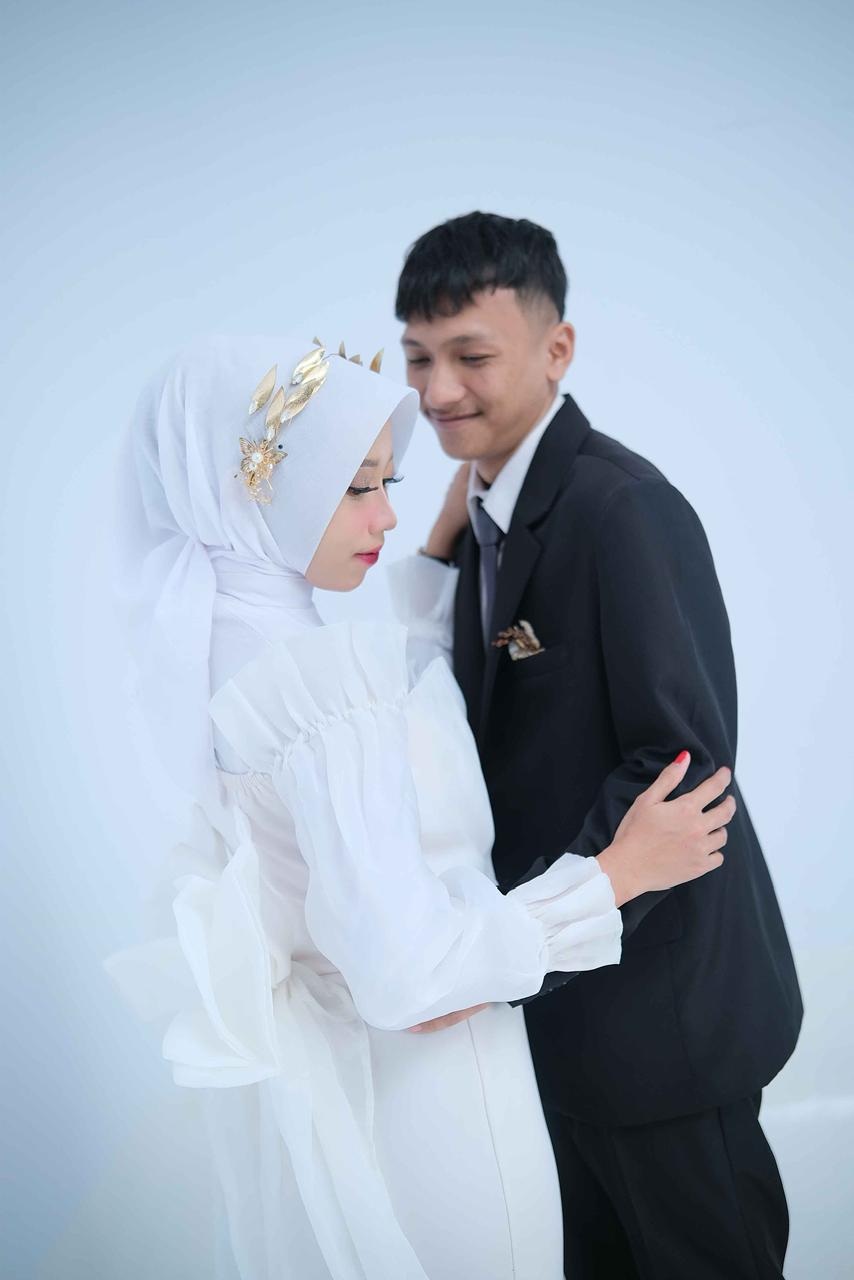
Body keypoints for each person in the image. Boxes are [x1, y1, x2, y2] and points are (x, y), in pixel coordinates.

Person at [106, 333, 733, 1280]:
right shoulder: (318, 692)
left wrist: (439, 563)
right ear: (258, 486)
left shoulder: (228, 652)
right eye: (358, 487)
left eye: (388, 482)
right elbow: (411, 976)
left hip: (364, 1091)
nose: (388, 515)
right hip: (445, 1100)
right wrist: (613, 876)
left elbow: (380, 765)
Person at [391, 211, 803, 1280]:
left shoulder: (623, 510)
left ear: (556, 348)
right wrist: (436, 555)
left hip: (661, 1024)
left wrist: (518, 945)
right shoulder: (479, 516)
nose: (437, 391)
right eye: (418, 358)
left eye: (470, 356)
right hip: (556, 1024)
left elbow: (681, 772)